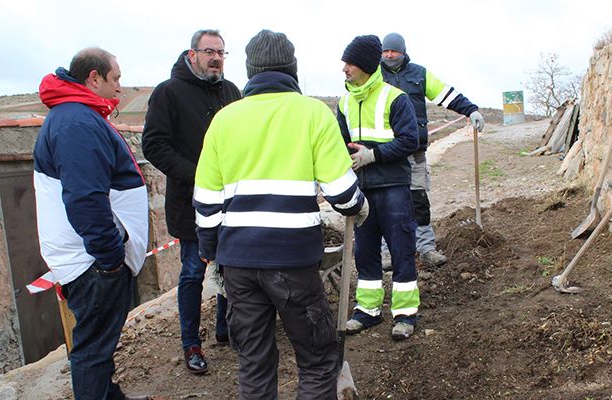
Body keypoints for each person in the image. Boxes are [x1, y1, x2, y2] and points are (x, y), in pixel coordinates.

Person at [194, 29, 369, 399]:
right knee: (318, 361)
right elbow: (341, 192)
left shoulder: (224, 120)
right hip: (292, 261)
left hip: (238, 262)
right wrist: (358, 206)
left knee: (254, 363)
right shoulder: (312, 113)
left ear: (250, 70)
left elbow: (206, 202)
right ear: (292, 68)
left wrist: (211, 250)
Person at [33, 48, 150, 400]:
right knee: (93, 349)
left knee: (100, 343)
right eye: (115, 79)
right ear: (93, 78)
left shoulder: (76, 116)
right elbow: (85, 197)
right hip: (93, 261)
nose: (120, 89)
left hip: (91, 257)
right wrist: (110, 257)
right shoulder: (77, 123)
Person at [142, 29, 241, 375]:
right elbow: (153, 145)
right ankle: (191, 344)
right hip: (190, 202)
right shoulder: (168, 93)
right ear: (192, 54)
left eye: (222, 53)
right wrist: (199, 173)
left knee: (229, 266)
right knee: (194, 272)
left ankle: (226, 329)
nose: (216, 58)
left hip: (230, 200)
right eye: (210, 51)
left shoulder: (231, 91)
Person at [336, 35, 420, 341]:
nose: (345, 68)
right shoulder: (344, 102)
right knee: (366, 252)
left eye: (350, 63)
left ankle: (406, 315)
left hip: (393, 188)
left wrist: (372, 155)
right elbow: (340, 143)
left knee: (401, 251)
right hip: (362, 192)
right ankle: (368, 311)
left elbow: (411, 140)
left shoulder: (395, 98)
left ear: (367, 66)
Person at [379, 32, 484, 268]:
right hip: (386, 154)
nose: (388, 55)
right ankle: (386, 253)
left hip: (414, 152)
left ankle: (426, 248)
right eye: (385, 51)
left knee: (418, 200)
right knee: (386, 203)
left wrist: (471, 110)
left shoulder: (419, 74)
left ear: (403, 51)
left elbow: (447, 95)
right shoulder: (374, 75)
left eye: (393, 51)